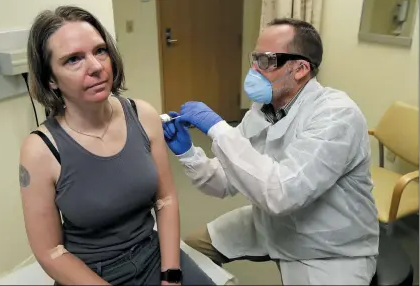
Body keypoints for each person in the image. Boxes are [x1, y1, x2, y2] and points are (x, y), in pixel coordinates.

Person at [162, 18, 379, 285]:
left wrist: (219, 130)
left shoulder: (336, 116)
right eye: (254, 59)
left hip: (328, 246)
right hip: (269, 224)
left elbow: (282, 194)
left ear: (300, 69)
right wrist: (188, 154)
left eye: (266, 61)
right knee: (188, 252)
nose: (253, 69)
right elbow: (225, 181)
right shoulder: (263, 109)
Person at [19, 5, 215, 286]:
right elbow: (51, 252)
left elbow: (166, 199)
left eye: (100, 51)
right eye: (73, 59)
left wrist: (171, 274)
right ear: (50, 79)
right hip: (91, 274)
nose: (97, 67)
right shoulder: (40, 150)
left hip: (153, 256)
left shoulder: (143, 115)